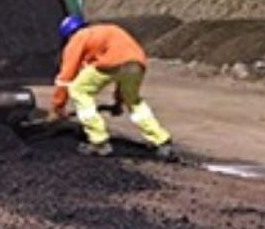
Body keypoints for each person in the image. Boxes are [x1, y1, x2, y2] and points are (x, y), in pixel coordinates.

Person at [50, 15, 174, 158]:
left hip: (111, 63)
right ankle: (162, 141)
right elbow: (122, 67)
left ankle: (99, 141)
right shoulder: (105, 31)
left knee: (79, 89)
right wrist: (118, 101)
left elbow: (65, 78)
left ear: (68, 35)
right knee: (133, 100)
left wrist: (57, 108)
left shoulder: (78, 37)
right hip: (137, 63)